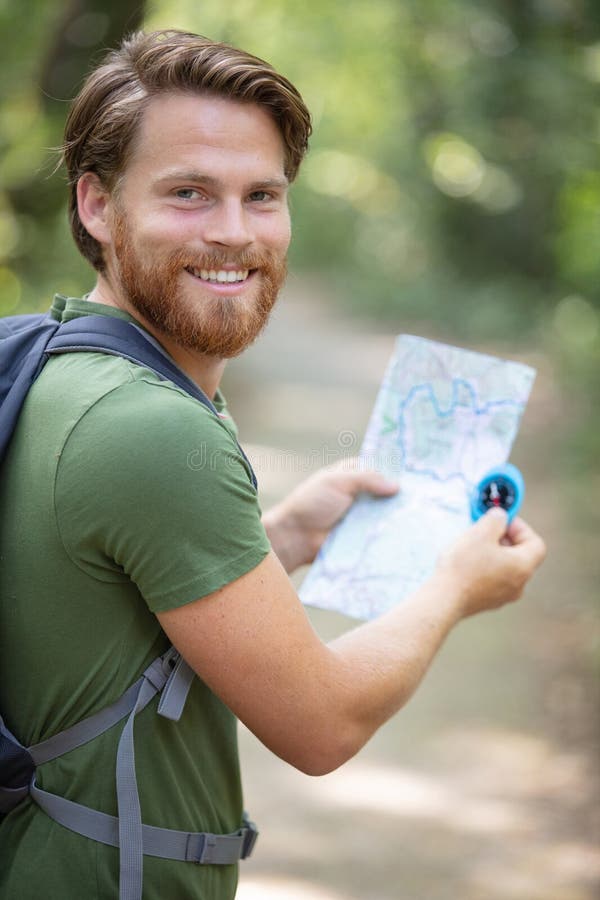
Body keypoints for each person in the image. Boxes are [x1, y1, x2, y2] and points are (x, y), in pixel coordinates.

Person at [0, 29, 546, 900]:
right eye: (188, 193)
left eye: (262, 195)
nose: (233, 233)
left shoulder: (60, 366)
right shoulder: (150, 429)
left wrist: (281, 536)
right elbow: (321, 725)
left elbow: (89, 604)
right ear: (98, 206)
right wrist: (456, 586)